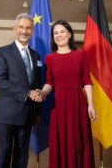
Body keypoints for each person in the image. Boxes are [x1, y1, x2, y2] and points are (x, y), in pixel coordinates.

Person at [38, 20, 97, 168]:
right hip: (59, 105)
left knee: (79, 139)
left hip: (78, 102)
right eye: (55, 33)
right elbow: (50, 82)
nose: (59, 35)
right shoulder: (49, 58)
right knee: (61, 140)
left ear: (70, 34)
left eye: (62, 31)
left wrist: (91, 105)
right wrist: (43, 92)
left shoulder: (81, 54)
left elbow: (87, 81)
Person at [0, 13, 42, 168]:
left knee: (22, 155)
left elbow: (37, 84)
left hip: (27, 114)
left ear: (32, 31)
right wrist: (27, 93)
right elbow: (0, 81)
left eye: (28, 28)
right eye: (21, 27)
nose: (24, 31)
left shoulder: (36, 56)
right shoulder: (3, 52)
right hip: (7, 114)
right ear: (15, 28)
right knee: (4, 154)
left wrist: (37, 112)